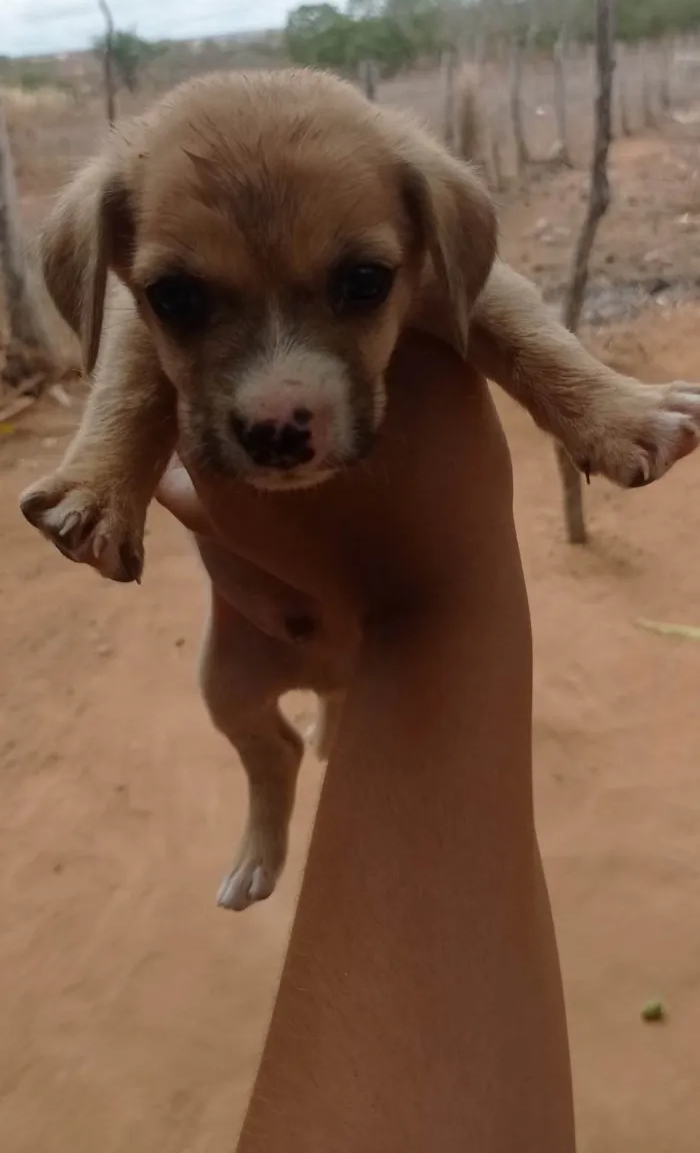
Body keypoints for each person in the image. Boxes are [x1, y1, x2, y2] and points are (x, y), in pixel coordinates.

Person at [156, 333, 576, 1152]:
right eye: (181, 299)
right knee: (231, 695)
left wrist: (587, 396)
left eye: (357, 280)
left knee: (332, 694)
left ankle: (332, 720)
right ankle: (269, 788)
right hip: (256, 622)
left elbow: (489, 301)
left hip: (364, 609)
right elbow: (129, 355)